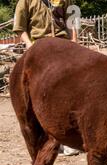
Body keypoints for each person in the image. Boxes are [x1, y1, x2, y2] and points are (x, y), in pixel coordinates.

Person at [13, 0, 80, 156]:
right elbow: (19, 28)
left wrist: (74, 41)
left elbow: (72, 19)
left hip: (63, 47)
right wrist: (30, 45)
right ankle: (49, 139)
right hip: (40, 48)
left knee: (70, 94)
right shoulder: (26, 1)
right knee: (44, 98)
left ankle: (68, 139)